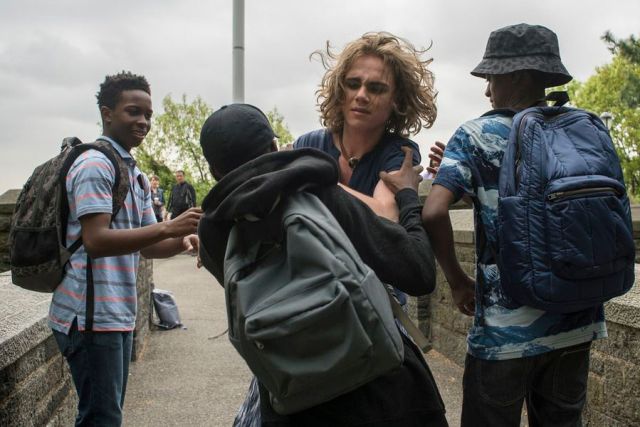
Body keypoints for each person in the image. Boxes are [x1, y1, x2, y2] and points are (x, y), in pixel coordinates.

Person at [198, 103, 447, 426]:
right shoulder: (316, 194)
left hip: (294, 397)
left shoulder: (214, 231)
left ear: (214, 171)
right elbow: (418, 272)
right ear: (274, 147)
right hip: (381, 393)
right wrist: (409, 198)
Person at [419, 24, 607, 426]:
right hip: (577, 322)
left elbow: (433, 213)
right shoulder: (581, 129)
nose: (487, 90)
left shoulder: (475, 134)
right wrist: (470, 188)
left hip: (505, 334)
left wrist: (456, 281)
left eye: (491, 78)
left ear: (517, 75)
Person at [48, 71, 202, 426]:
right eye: (133, 112)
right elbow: (96, 241)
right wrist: (169, 225)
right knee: (101, 418)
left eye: (148, 115)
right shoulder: (93, 164)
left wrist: (183, 241)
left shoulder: (135, 175)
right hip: (87, 317)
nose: (143, 122)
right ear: (107, 113)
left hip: (115, 314)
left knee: (106, 415)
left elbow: (150, 245)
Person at [294, 31, 437, 222]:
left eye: (376, 88)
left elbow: (387, 214)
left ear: (397, 100)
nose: (361, 95)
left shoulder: (399, 153)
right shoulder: (309, 144)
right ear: (339, 90)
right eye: (353, 84)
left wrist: (308, 177)